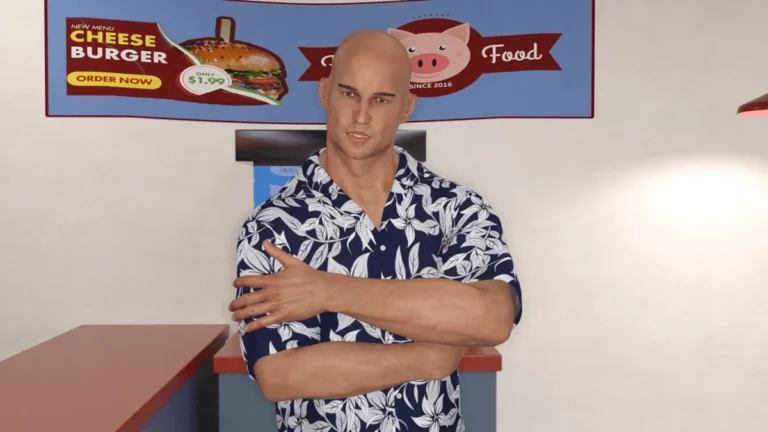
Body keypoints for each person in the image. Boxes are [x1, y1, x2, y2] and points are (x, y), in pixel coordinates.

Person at [228, 29, 523, 432]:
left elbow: (492, 318)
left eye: (381, 99)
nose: (362, 116)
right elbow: (280, 374)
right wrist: (425, 358)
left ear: (408, 106)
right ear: (324, 92)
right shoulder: (272, 225)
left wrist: (326, 291)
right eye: (349, 93)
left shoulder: (455, 207)